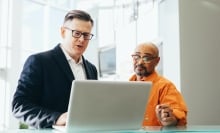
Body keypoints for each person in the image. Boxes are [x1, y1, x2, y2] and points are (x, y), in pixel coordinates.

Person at [12, 10, 98, 128]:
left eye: (86, 35)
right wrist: (57, 118)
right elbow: (19, 106)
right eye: (77, 33)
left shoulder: (92, 69)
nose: (82, 39)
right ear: (63, 32)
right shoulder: (38, 62)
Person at [129, 42, 187, 127]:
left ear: (157, 61)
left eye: (146, 58)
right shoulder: (126, 86)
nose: (140, 62)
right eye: (136, 57)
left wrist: (170, 120)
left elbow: (177, 115)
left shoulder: (165, 86)